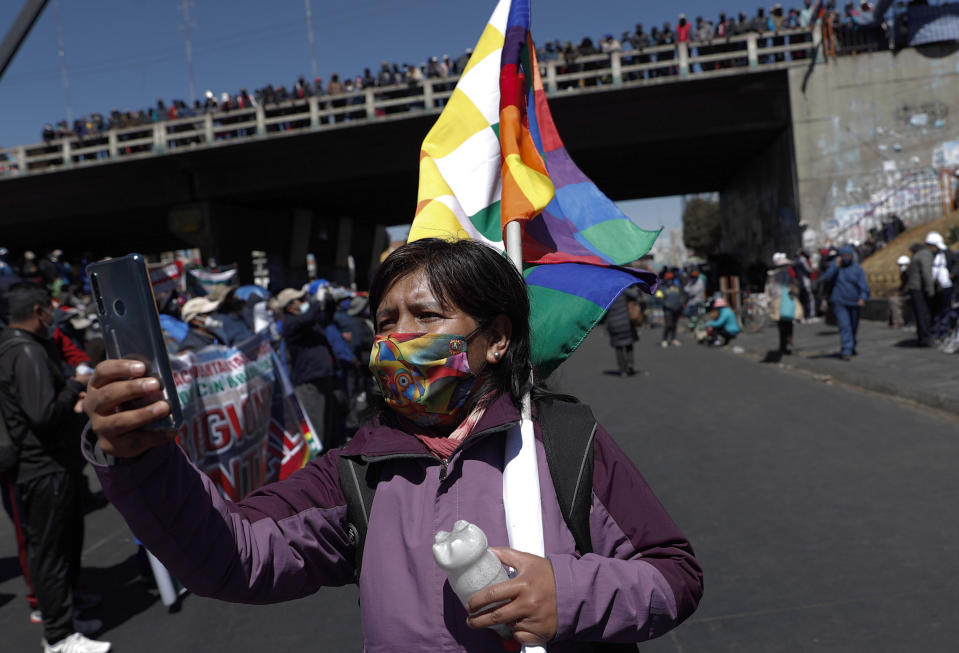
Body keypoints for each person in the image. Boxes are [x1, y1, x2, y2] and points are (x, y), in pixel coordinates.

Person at [80, 238, 703, 651]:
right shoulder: (353, 473)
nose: (397, 339)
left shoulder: (566, 442)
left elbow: (674, 576)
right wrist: (141, 460)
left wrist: (568, 595)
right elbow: (233, 556)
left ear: (497, 339)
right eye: (385, 321)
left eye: (425, 317)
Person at [0, 283, 110, 653]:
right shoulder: (26, 352)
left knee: (61, 547)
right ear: (38, 311)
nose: (54, 315)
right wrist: (74, 386)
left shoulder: (17, 348)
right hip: (42, 467)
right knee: (49, 554)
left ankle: (67, 619)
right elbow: (42, 413)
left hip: (48, 466)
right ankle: (59, 637)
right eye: (49, 309)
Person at [277, 287, 342, 449]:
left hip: (323, 376)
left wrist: (329, 300)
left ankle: (329, 456)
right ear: (290, 306)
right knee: (316, 424)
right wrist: (315, 302)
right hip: (308, 381)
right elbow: (308, 318)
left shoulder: (308, 321)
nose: (304, 302)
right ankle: (315, 463)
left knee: (329, 422)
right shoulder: (291, 323)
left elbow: (325, 317)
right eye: (300, 300)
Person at [821, 245, 870, 360]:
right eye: (843, 256)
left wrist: (863, 297)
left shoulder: (857, 269)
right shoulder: (835, 266)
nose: (845, 258)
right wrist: (835, 267)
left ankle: (852, 345)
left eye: (848, 256)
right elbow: (827, 279)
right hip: (839, 301)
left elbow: (863, 285)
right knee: (845, 326)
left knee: (853, 326)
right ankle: (846, 349)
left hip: (854, 302)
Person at [765, 253, 804, 355]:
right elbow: (793, 288)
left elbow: (768, 290)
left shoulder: (771, 276)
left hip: (776, 301)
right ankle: (788, 342)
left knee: (781, 325)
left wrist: (768, 301)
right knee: (788, 323)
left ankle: (783, 346)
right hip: (787, 300)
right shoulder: (787, 275)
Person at [904, 238, 935, 347]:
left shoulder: (916, 255)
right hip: (919, 289)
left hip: (914, 288)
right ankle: (925, 338)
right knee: (923, 314)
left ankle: (922, 337)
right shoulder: (925, 254)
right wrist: (930, 289)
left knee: (919, 314)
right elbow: (926, 273)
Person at [926, 231, 956, 340]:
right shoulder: (931, 255)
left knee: (945, 310)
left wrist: (952, 274)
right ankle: (935, 331)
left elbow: (956, 264)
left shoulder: (947, 253)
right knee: (936, 310)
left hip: (946, 286)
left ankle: (943, 331)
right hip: (935, 286)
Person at [604, 285, 639, 376]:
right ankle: (630, 364)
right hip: (625, 322)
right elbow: (635, 295)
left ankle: (622, 370)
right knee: (629, 344)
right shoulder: (622, 290)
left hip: (613, 324)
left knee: (618, 347)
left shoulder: (607, 294)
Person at [659, 270, 684, 347]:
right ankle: (664, 340)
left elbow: (680, 297)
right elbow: (659, 298)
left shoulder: (676, 287)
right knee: (668, 324)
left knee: (674, 324)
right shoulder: (663, 288)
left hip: (676, 309)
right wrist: (666, 304)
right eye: (669, 279)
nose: (670, 280)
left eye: (671, 279)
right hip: (667, 309)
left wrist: (680, 304)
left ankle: (673, 339)